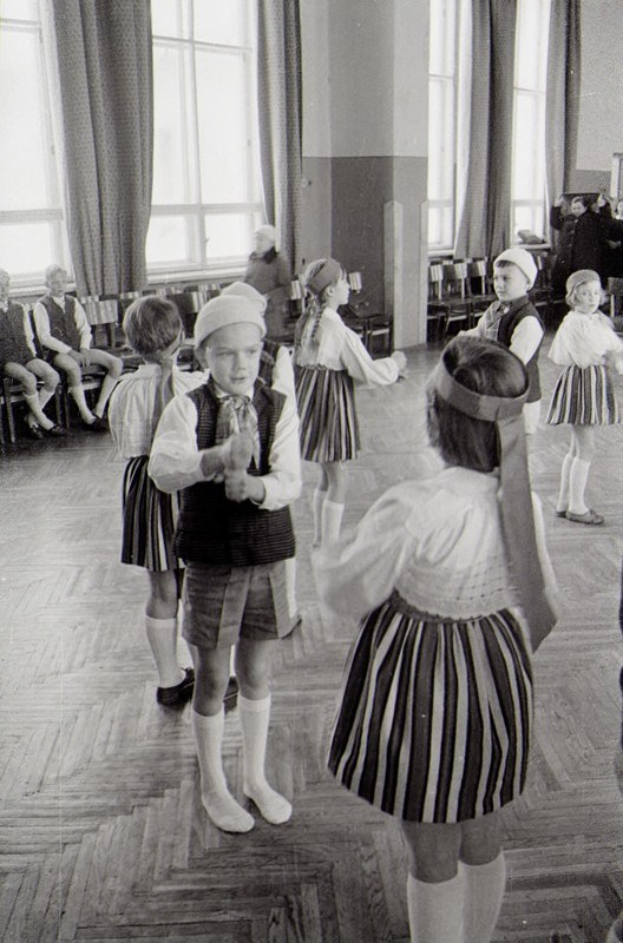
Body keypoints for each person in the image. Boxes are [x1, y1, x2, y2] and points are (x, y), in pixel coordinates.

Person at [313, 335, 558, 943]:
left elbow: (348, 590)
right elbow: (542, 600)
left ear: (435, 420)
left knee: (430, 842)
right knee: (482, 823)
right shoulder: (520, 498)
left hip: (422, 676)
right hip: (497, 666)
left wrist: (328, 557)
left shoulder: (416, 505)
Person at [149, 294, 301, 833]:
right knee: (213, 679)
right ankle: (214, 784)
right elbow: (163, 470)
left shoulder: (279, 403)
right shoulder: (187, 406)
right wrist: (211, 460)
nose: (241, 365)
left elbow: (291, 479)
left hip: (267, 553)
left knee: (257, 672)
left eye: (252, 352)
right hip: (212, 559)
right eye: (227, 354)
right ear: (204, 355)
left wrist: (255, 484)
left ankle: (255, 778)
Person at [107, 296, 207, 707]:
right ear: (182, 338)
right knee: (200, 589)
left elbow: (123, 444)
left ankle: (169, 680)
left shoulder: (124, 389)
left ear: (131, 344)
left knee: (162, 591)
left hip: (145, 492)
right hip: (189, 491)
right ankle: (209, 674)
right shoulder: (195, 386)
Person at [293, 257, 407, 547]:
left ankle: (321, 539)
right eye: (343, 281)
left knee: (328, 472)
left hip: (311, 402)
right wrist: (394, 364)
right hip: (330, 404)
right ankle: (329, 545)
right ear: (330, 291)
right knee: (339, 478)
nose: (348, 286)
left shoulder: (309, 322)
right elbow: (366, 370)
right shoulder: (337, 329)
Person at [546, 269, 623, 525]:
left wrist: (613, 356)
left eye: (595, 293)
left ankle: (564, 500)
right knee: (586, 447)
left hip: (592, 379)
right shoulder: (575, 322)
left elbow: (615, 347)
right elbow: (591, 353)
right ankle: (577, 507)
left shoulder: (595, 318)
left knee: (577, 447)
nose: (591, 298)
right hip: (583, 382)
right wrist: (611, 357)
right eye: (585, 294)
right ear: (574, 296)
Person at [463, 247, 544, 434]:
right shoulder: (496, 309)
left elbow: (512, 364)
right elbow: (481, 332)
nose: (499, 284)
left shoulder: (528, 320)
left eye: (506, 279)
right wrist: (465, 339)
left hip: (519, 398)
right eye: (496, 278)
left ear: (526, 282)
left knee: (513, 448)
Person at [33, 264, 123, 430]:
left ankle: (99, 408)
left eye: (62, 282)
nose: (60, 286)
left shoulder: (72, 302)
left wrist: (83, 348)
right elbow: (44, 337)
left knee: (116, 364)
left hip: (78, 348)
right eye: (55, 282)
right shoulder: (41, 305)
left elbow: (84, 328)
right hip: (56, 353)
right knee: (73, 368)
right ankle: (86, 415)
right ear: (47, 284)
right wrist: (70, 351)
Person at [0, 268, 65, 439]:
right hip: (5, 358)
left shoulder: (19, 308)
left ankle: (31, 417)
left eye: (5, 286)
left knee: (52, 376)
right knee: (29, 379)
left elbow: (29, 335)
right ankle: (44, 421)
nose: (2, 290)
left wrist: (34, 356)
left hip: (25, 354)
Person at [549, 193, 623, 296]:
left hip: (585, 262)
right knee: (567, 290)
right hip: (567, 262)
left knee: (584, 289)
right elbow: (555, 223)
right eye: (574, 208)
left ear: (585, 208)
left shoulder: (593, 219)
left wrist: (603, 207)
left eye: (578, 207)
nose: (576, 210)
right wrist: (556, 207)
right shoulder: (568, 219)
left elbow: (606, 223)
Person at [243, 225, 293, 341]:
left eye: (261, 239)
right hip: (252, 311)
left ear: (271, 242)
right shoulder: (253, 258)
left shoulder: (279, 261)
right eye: (256, 239)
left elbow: (287, 289)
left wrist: (268, 296)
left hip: (270, 315)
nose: (257, 242)